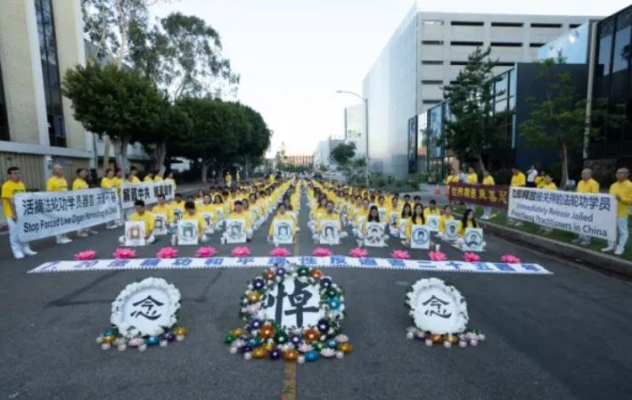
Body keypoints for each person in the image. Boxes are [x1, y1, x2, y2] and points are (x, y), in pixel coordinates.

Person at [2, 167, 37, 259]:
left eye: (18, 173)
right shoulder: (7, 186)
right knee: (14, 233)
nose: (17, 175)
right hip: (11, 213)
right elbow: (10, 201)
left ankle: (26, 248)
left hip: (22, 212)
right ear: (9, 175)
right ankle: (17, 250)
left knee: (24, 231)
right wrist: (14, 214)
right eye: (14, 173)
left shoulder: (21, 184)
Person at [602, 168, 632, 256]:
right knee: (610, 229)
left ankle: (620, 247)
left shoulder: (630, 185)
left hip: (622, 212)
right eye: (617, 173)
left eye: (621, 173)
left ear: (626, 175)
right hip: (611, 213)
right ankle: (611, 246)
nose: (618, 175)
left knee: (622, 231)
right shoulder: (613, 185)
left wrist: (621, 199)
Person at [47, 164, 72, 244]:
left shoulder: (64, 180)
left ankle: (64, 235)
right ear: (54, 171)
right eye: (59, 169)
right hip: (57, 204)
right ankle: (59, 238)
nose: (61, 171)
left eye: (61, 169)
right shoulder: (51, 180)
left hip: (65, 203)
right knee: (58, 221)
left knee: (64, 220)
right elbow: (49, 193)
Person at [574, 169, 600, 246]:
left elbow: (594, 196)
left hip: (588, 207)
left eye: (585, 174)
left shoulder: (594, 183)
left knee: (587, 223)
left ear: (590, 175)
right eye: (582, 174)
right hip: (580, 206)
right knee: (579, 222)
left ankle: (587, 239)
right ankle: (580, 237)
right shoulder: (580, 183)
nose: (583, 175)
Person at [72, 168, 98, 237]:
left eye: (85, 172)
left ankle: (88, 229)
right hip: (81, 203)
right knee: (81, 217)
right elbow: (75, 193)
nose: (84, 174)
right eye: (83, 172)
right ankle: (80, 232)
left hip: (87, 202)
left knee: (88, 216)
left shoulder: (84, 181)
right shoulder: (76, 182)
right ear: (78, 174)